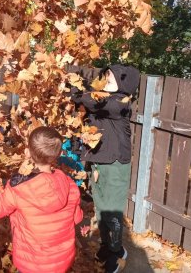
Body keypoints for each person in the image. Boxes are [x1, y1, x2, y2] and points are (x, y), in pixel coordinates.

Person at [0, 126, 83, 273]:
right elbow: (77, 218)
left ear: (27, 152)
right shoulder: (69, 184)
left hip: (32, 264)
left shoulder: (19, 188)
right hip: (62, 261)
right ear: (58, 154)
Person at [70, 64, 140, 273]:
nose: (104, 81)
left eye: (110, 79)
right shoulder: (100, 101)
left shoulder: (120, 103)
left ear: (124, 84)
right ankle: (106, 246)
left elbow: (93, 102)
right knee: (100, 208)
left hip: (116, 165)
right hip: (100, 162)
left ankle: (117, 252)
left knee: (113, 212)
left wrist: (75, 89)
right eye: (105, 78)